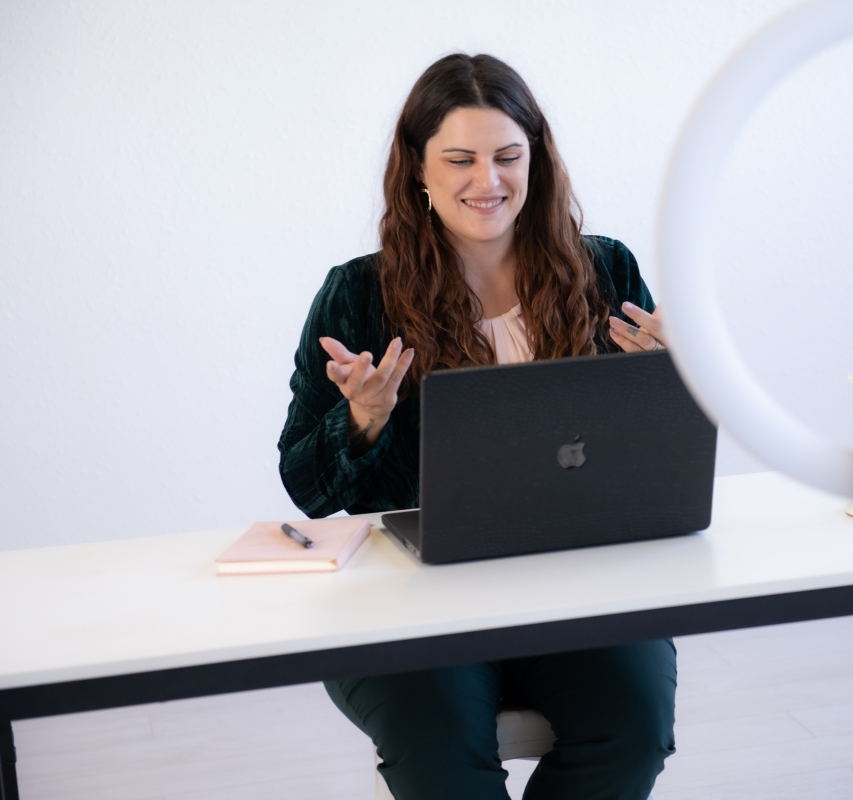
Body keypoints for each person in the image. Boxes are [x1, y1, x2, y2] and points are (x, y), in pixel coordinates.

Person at [277, 53, 674, 800]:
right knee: (441, 751)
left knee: (634, 722)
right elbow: (304, 485)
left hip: (573, 586)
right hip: (410, 602)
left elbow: (650, 464)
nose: (486, 182)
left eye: (507, 157)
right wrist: (362, 419)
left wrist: (666, 385)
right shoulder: (356, 293)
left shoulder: (606, 271)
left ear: (538, 163)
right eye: (459, 159)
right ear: (418, 171)